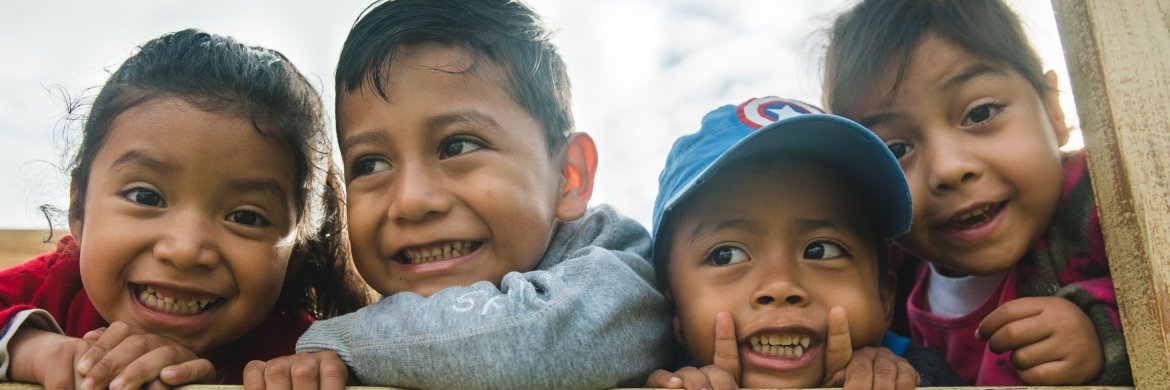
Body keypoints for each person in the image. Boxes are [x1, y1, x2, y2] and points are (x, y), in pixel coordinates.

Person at [244, 0, 673, 388]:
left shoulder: (614, 266)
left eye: (457, 146)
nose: (411, 201)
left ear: (569, 175)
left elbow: (536, 344)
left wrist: (327, 339)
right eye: (370, 164)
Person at [0, 28, 373, 389]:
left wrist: (328, 374)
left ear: (297, 252)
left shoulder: (299, 357)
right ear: (78, 208)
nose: (185, 250)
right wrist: (31, 349)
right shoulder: (53, 288)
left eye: (245, 217)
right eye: (146, 197)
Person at [821, 0, 1131, 385]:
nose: (950, 169)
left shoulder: (1111, 200)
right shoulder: (882, 278)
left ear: (1054, 111)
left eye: (980, 113)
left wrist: (1108, 333)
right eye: (896, 149)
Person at [643, 96, 965, 389]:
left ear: (883, 298)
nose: (780, 285)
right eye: (726, 255)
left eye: (820, 250)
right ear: (674, 314)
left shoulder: (919, 376)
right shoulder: (651, 381)